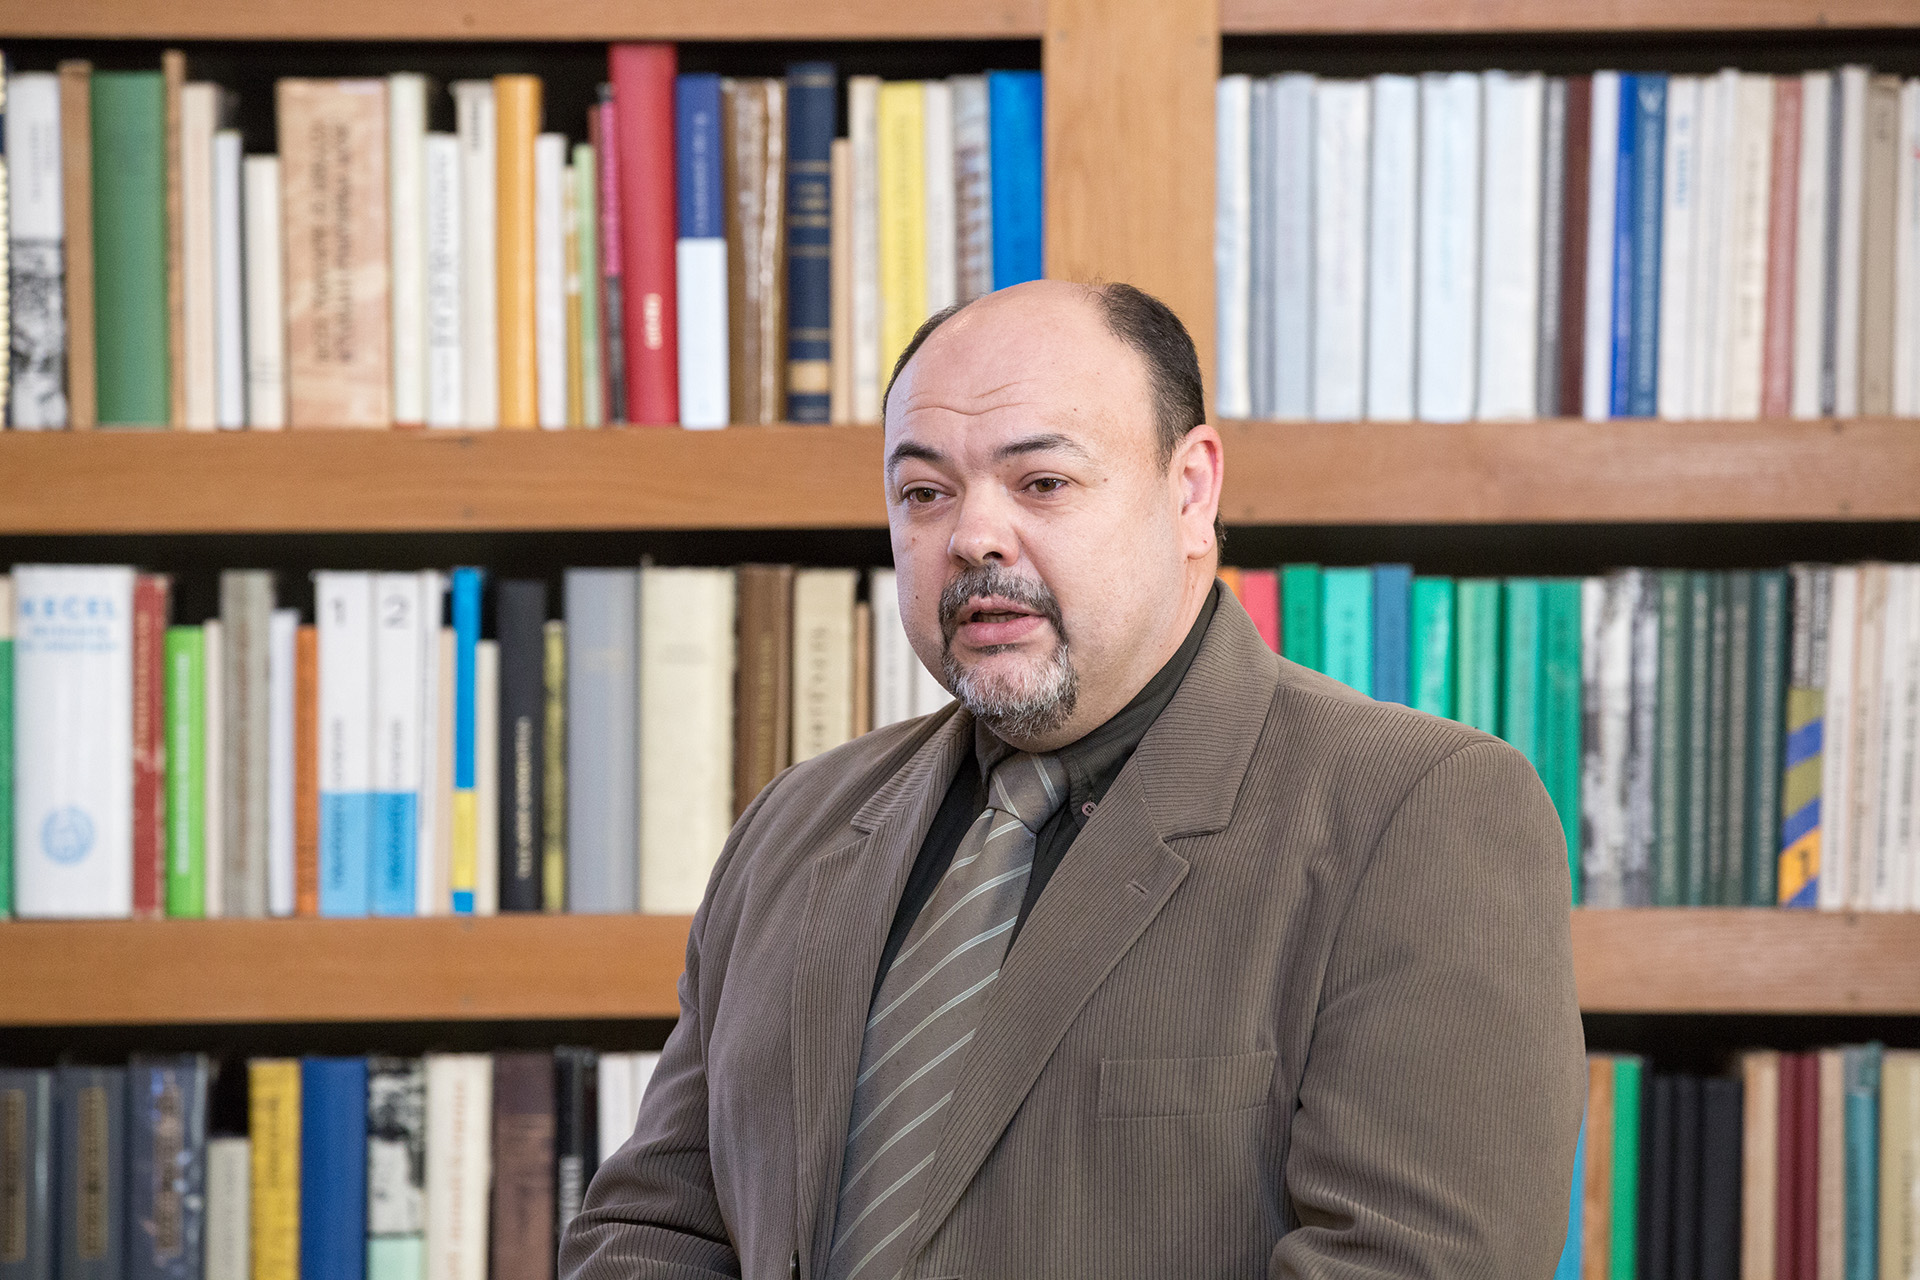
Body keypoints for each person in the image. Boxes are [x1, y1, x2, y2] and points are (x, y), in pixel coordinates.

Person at [561, 279, 1585, 1280]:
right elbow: (653, 1227)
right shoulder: (796, 822)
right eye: (925, 493)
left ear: (1191, 492)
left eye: (1042, 482)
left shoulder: (1418, 812)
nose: (973, 536)